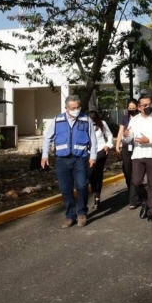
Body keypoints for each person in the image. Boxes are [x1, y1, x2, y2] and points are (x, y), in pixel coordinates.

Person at [41, 95, 97, 228]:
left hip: (80, 158)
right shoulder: (57, 120)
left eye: (78, 107)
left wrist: (93, 156)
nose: (76, 110)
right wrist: (45, 155)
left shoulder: (85, 119)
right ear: (66, 108)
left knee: (82, 185)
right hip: (62, 159)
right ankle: (70, 216)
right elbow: (47, 138)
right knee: (65, 189)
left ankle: (82, 213)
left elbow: (93, 139)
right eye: (73, 108)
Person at [123, 94, 152, 222]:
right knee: (136, 182)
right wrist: (126, 135)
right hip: (138, 154)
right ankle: (145, 201)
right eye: (144, 105)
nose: (147, 107)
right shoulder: (135, 120)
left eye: (149, 104)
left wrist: (148, 140)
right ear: (139, 107)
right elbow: (129, 138)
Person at [115, 99, 142, 210]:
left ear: (137, 108)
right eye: (129, 108)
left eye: (133, 108)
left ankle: (133, 199)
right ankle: (133, 191)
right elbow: (121, 131)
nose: (131, 110)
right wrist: (117, 146)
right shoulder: (125, 118)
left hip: (138, 146)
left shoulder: (141, 118)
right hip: (127, 146)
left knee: (135, 172)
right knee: (127, 171)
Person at [87, 110, 113, 211]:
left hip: (100, 150)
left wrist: (108, 145)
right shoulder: (84, 125)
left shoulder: (103, 124)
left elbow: (109, 135)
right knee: (90, 174)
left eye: (94, 121)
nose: (92, 123)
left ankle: (97, 198)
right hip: (88, 152)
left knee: (98, 173)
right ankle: (95, 191)